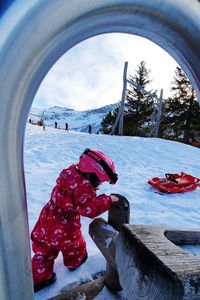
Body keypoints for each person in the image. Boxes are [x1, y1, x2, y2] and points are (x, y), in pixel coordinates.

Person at [31, 148, 119, 292]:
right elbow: (89, 208)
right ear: (91, 175)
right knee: (74, 246)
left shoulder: (68, 177)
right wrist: (107, 200)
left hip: (47, 220)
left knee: (44, 249)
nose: (98, 186)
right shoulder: (82, 189)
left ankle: (40, 277)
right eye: (99, 182)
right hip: (65, 227)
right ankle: (75, 261)